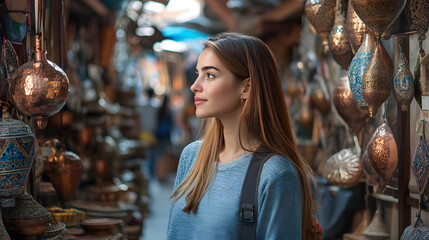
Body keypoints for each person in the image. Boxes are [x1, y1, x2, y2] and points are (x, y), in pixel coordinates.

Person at [167, 32, 320, 239]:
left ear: (246, 87)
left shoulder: (276, 174)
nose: (195, 86)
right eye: (197, 74)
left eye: (210, 75)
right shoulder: (191, 157)